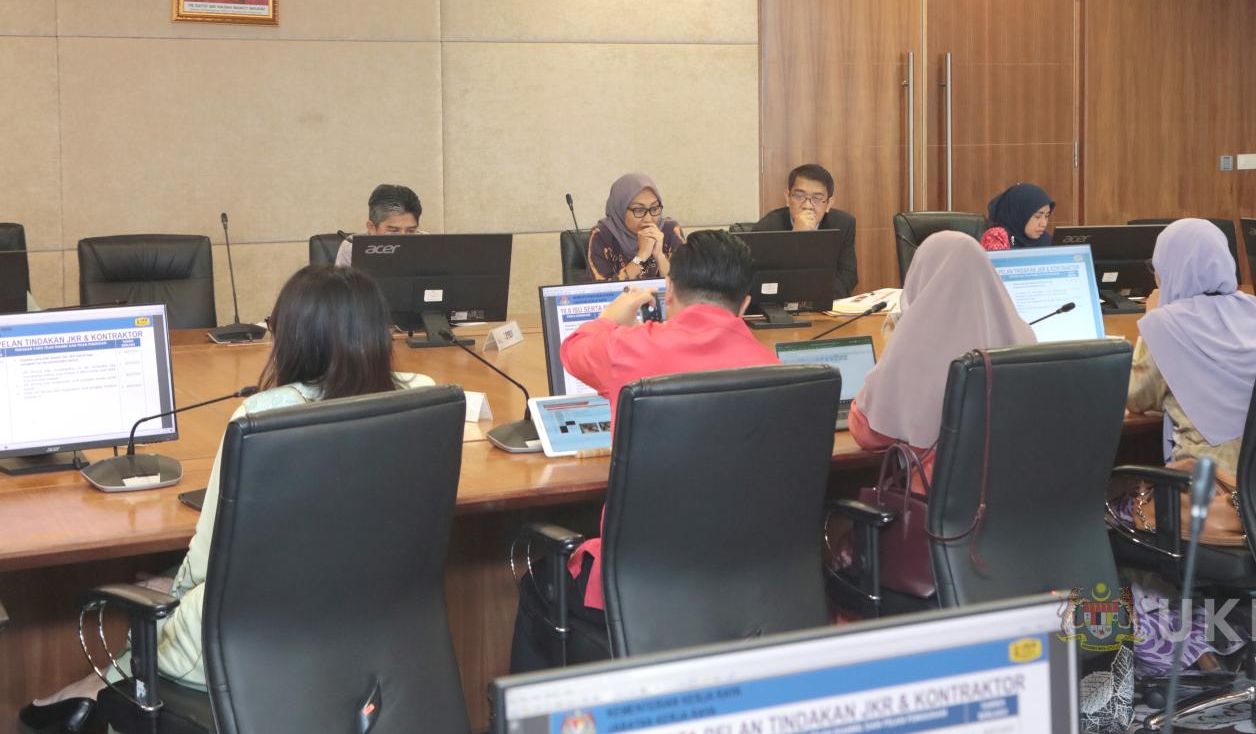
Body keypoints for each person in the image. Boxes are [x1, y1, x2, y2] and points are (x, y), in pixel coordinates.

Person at [20, 265, 433, 733]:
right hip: (372, 627)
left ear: (295, 338)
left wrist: (171, 588)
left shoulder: (264, 414)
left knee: (154, 613)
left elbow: (207, 558)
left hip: (253, 637)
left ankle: (90, 694)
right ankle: (91, 694)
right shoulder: (422, 396)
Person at [511, 230, 778, 671]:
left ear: (669, 291)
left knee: (536, 583)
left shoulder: (630, 349)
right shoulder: (775, 368)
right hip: (746, 581)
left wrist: (609, 318)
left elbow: (572, 351)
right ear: (746, 304)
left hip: (639, 583)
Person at [1116, 219, 1256, 674]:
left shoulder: (1166, 326)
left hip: (1204, 498)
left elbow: (1134, 396)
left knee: (1108, 514)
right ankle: (1223, 632)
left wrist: (1153, 321)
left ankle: (1184, 646)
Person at [849, 231, 1035, 486]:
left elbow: (869, 432)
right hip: (1017, 494)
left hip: (938, 501)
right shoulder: (1024, 336)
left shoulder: (912, 343)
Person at [751, 163, 859, 299]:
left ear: (829, 203)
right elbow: (765, 281)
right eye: (799, 196)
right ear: (787, 197)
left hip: (826, 302)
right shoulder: (767, 228)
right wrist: (797, 238)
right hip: (781, 305)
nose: (808, 205)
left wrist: (820, 299)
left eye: (817, 198)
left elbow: (848, 276)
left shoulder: (843, 224)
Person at [586, 172, 687, 281]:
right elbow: (602, 289)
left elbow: (683, 285)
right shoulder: (602, 235)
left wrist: (659, 256)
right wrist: (641, 256)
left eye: (654, 209)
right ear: (621, 209)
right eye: (639, 210)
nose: (648, 219)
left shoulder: (670, 231)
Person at [335, 183, 423, 267]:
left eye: (411, 231)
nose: (403, 238)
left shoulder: (427, 244)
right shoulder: (352, 247)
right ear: (372, 228)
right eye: (394, 231)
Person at [980, 183, 1055, 251]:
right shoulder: (997, 237)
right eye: (1037, 216)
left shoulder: (1045, 239)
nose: (1044, 224)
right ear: (1020, 214)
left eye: (1046, 216)